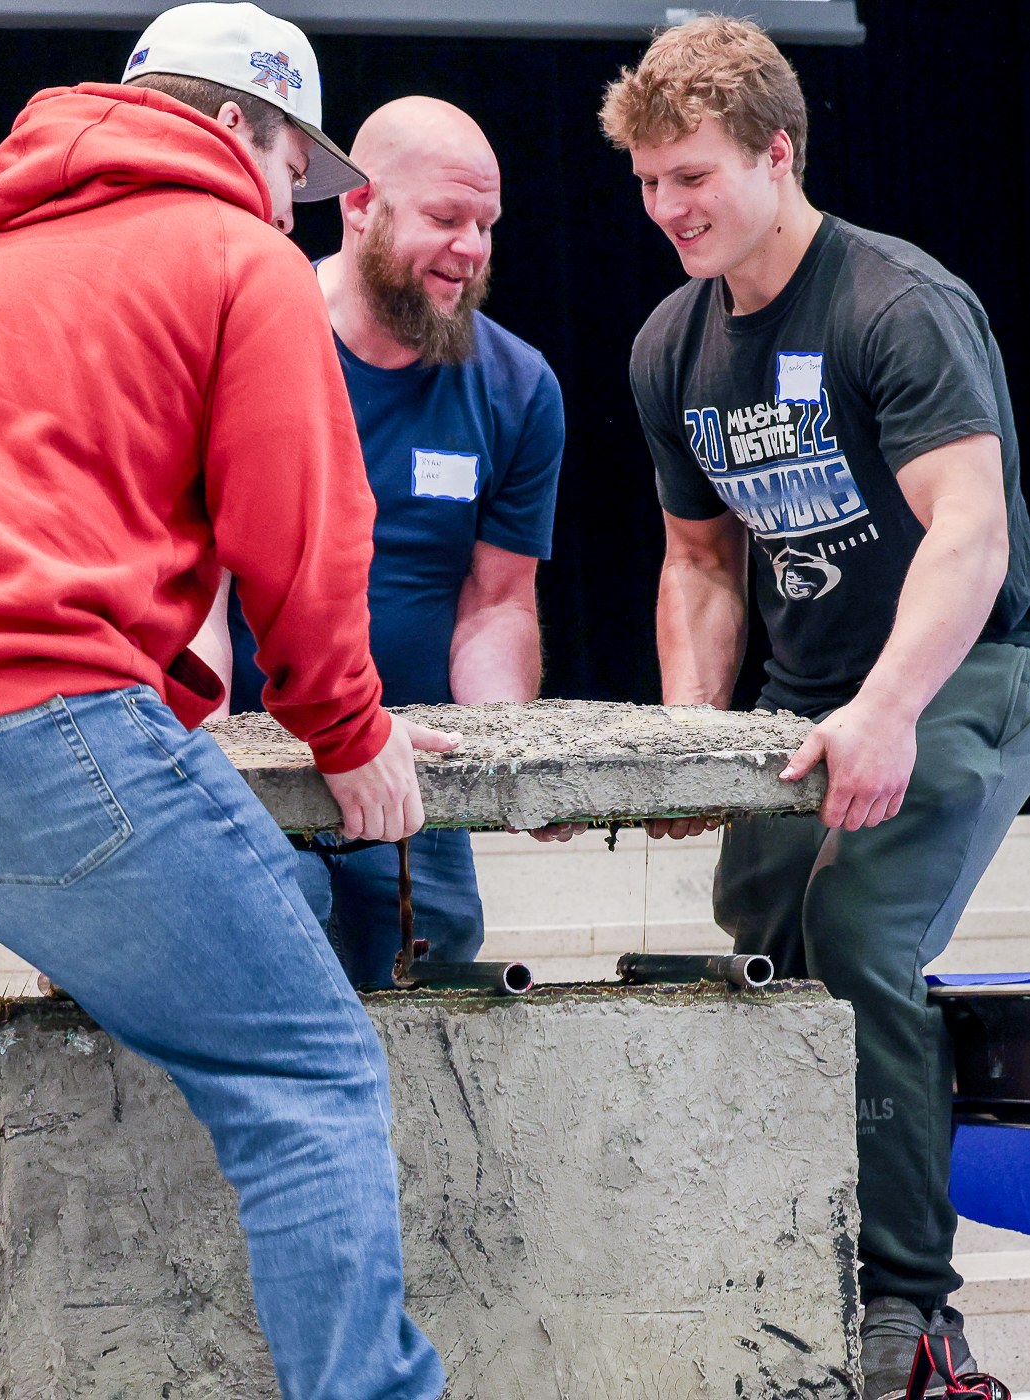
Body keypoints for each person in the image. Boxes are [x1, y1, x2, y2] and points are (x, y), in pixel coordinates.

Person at [0, 4, 456, 1396]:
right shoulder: (238, 257)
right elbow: (299, 537)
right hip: (37, 732)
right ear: (237, 124)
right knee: (308, 1081)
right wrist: (351, 735)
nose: (291, 207)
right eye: (291, 168)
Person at [601, 18, 1030, 1399]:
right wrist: (687, 740)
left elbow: (968, 532)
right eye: (648, 182)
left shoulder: (896, 306)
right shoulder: (671, 345)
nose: (667, 209)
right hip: (802, 689)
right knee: (763, 933)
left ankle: (913, 1311)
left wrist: (891, 708)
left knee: (852, 925)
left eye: (692, 177)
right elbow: (699, 560)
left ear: (776, 155)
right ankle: (792, 1257)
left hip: (957, 674)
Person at [226, 96, 568, 989]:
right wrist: (207, 762)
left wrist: (506, 759)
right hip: (257, 761)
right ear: (358, 204)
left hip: (410, 773)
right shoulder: (251, 336)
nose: (472, 249)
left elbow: (495, 603)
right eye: (445, 219)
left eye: (486, 225)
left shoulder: (516, 385)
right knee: (275, 956)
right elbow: (201, 589)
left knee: (440, 967)